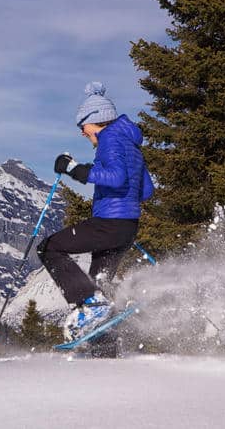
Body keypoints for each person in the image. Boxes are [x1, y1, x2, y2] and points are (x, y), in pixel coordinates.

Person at [36, 82, 154, 340]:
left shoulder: (109, 139)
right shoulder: (130, 144)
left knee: (49, 247)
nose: (82, 132)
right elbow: (146, 190)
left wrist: (74, 169)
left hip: (110, 223)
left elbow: (115, 176)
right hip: (127, 226)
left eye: (82, 126)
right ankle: (103, 350)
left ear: (97, 120)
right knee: (100, 286)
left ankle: (88, 304)